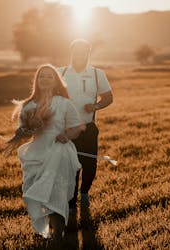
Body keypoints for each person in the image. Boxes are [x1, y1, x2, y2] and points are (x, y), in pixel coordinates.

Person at [6, 64, 85, 240]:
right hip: (37, 151)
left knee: (55, 191)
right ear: (36, 81)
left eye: (50, 76)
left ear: (56, 80)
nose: (45, 79)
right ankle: (47, 230)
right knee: (36, 192)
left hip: (59, 151)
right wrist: (28, 130)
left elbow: (76, 127)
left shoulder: (64, 103)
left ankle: (58, 235)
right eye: (42, 76)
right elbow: (22, 132)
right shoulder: (29, 105)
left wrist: (67, 135)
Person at [57, 39, 113, 210]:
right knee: (70, 167)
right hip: (67, 129)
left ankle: (85, 193)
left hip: (89, 128)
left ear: (88, 54)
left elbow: (109, 97)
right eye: (76, 52)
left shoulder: (97, 73)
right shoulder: (61, 72)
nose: (80, 55)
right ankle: (71, 202)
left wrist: (95, 106)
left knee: (90, 165)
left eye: (84, 52)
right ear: (71, 52)